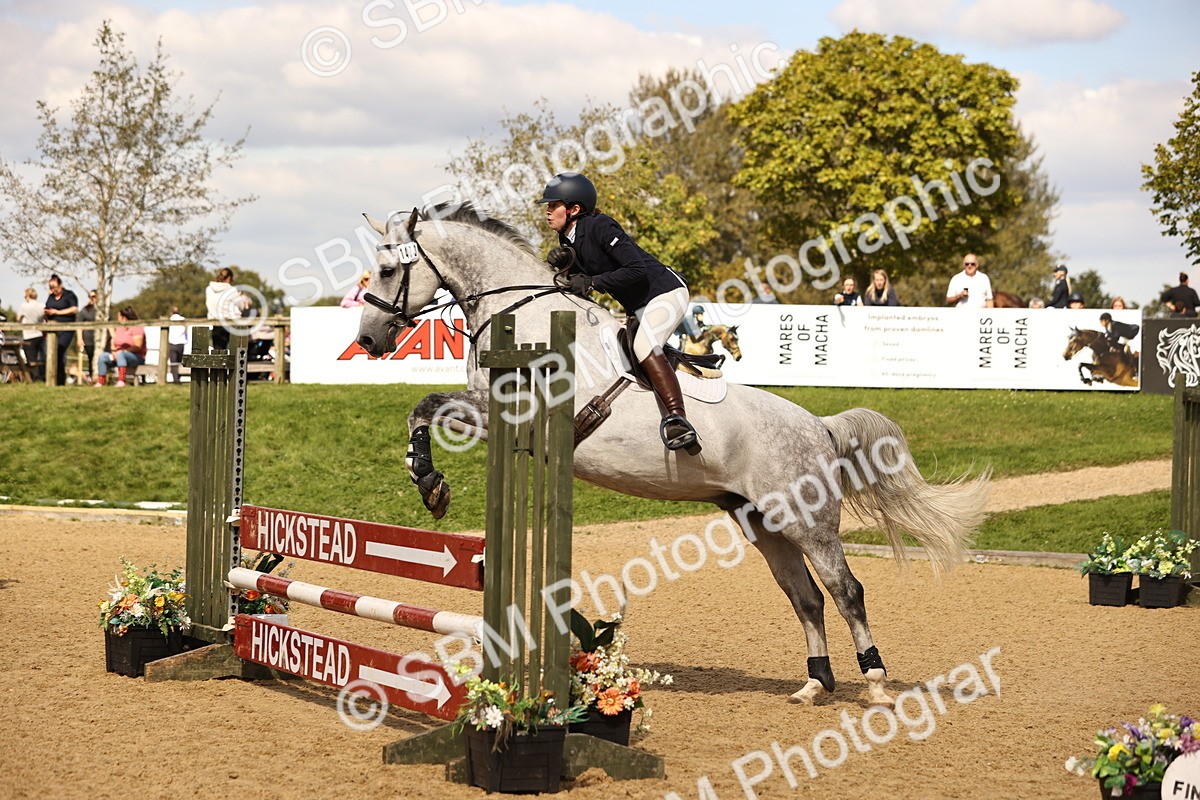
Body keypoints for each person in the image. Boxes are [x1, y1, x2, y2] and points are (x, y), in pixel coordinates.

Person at [536, 171, 700, 454]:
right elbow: (581, 279)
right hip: (638, 306)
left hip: (665, 293)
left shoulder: (601, 226)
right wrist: (565, 266)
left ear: (574, 209)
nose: (548, 212)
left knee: (644, 344)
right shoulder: (569, 239)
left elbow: (635, 270)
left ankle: (678, 418)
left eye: (553, 206)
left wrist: (591, 282)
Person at [95, 306, 146, 387]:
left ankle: (121, 380)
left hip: (136, 356)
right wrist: (114, 352)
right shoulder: (119, 328)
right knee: (103, 356)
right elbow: (115, 342)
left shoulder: (137, 328)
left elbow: (138, 346)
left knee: (121, 355)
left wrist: (123, 352)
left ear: (124, 318)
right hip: (119, 355)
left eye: (119, 316)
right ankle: (101, 381)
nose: (117, 318)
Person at [43, 274, 78, 385]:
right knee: (48, 351)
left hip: (66, 328)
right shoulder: (51, 297)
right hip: (52, 328)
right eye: (51, 288)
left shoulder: (69, 295)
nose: (53, 290)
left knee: (59, 350)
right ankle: (51, 378)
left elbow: (74, 309)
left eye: (55, 287)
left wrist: (57, 312)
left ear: (60, 285)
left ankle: (60, 379)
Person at [205, 267, 247, 350]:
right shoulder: (232, 290)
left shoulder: (209, 289)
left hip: (216, 322)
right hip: (231, 323)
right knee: (235, 352)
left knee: (218, 351)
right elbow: (241, 307)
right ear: (229, 278)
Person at [19, 287, 45, 382]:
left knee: (31, 359)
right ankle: (41, 377)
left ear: (28, 296)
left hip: (28, 335)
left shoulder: (25, 306)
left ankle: (35, 379)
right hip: (40, 334)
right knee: (40, 358)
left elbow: (18, 318)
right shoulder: (42, 305)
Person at [78, 289, 98, 380]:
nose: (91, 298)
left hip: (101, 339)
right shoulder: (85, 310)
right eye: (90, 296)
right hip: (89, 339)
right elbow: (79, 325)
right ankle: (92, 377)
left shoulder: (104, 309)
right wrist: (79, 339)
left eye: (93, 296)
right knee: (91, 358)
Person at [167, 306, 188, 382]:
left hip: (172, 342)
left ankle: (175, 379)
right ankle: (178, 377)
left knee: (173, 362)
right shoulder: (183, 319)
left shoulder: (169, 320)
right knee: (179, 361)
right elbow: (186, 331)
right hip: (181, 342)